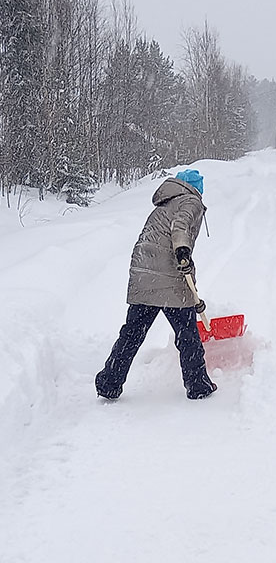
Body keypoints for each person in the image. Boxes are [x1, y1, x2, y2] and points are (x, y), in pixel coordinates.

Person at [95, 169, 217, 401]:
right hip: (170, 277)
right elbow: (180, 228)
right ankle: (198, 384)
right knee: (187, 334)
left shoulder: (162, 206)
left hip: (143, 275)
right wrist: (183, 251)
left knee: (132, 333)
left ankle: (109, 382)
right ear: (196, 189)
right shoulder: (190, 201)